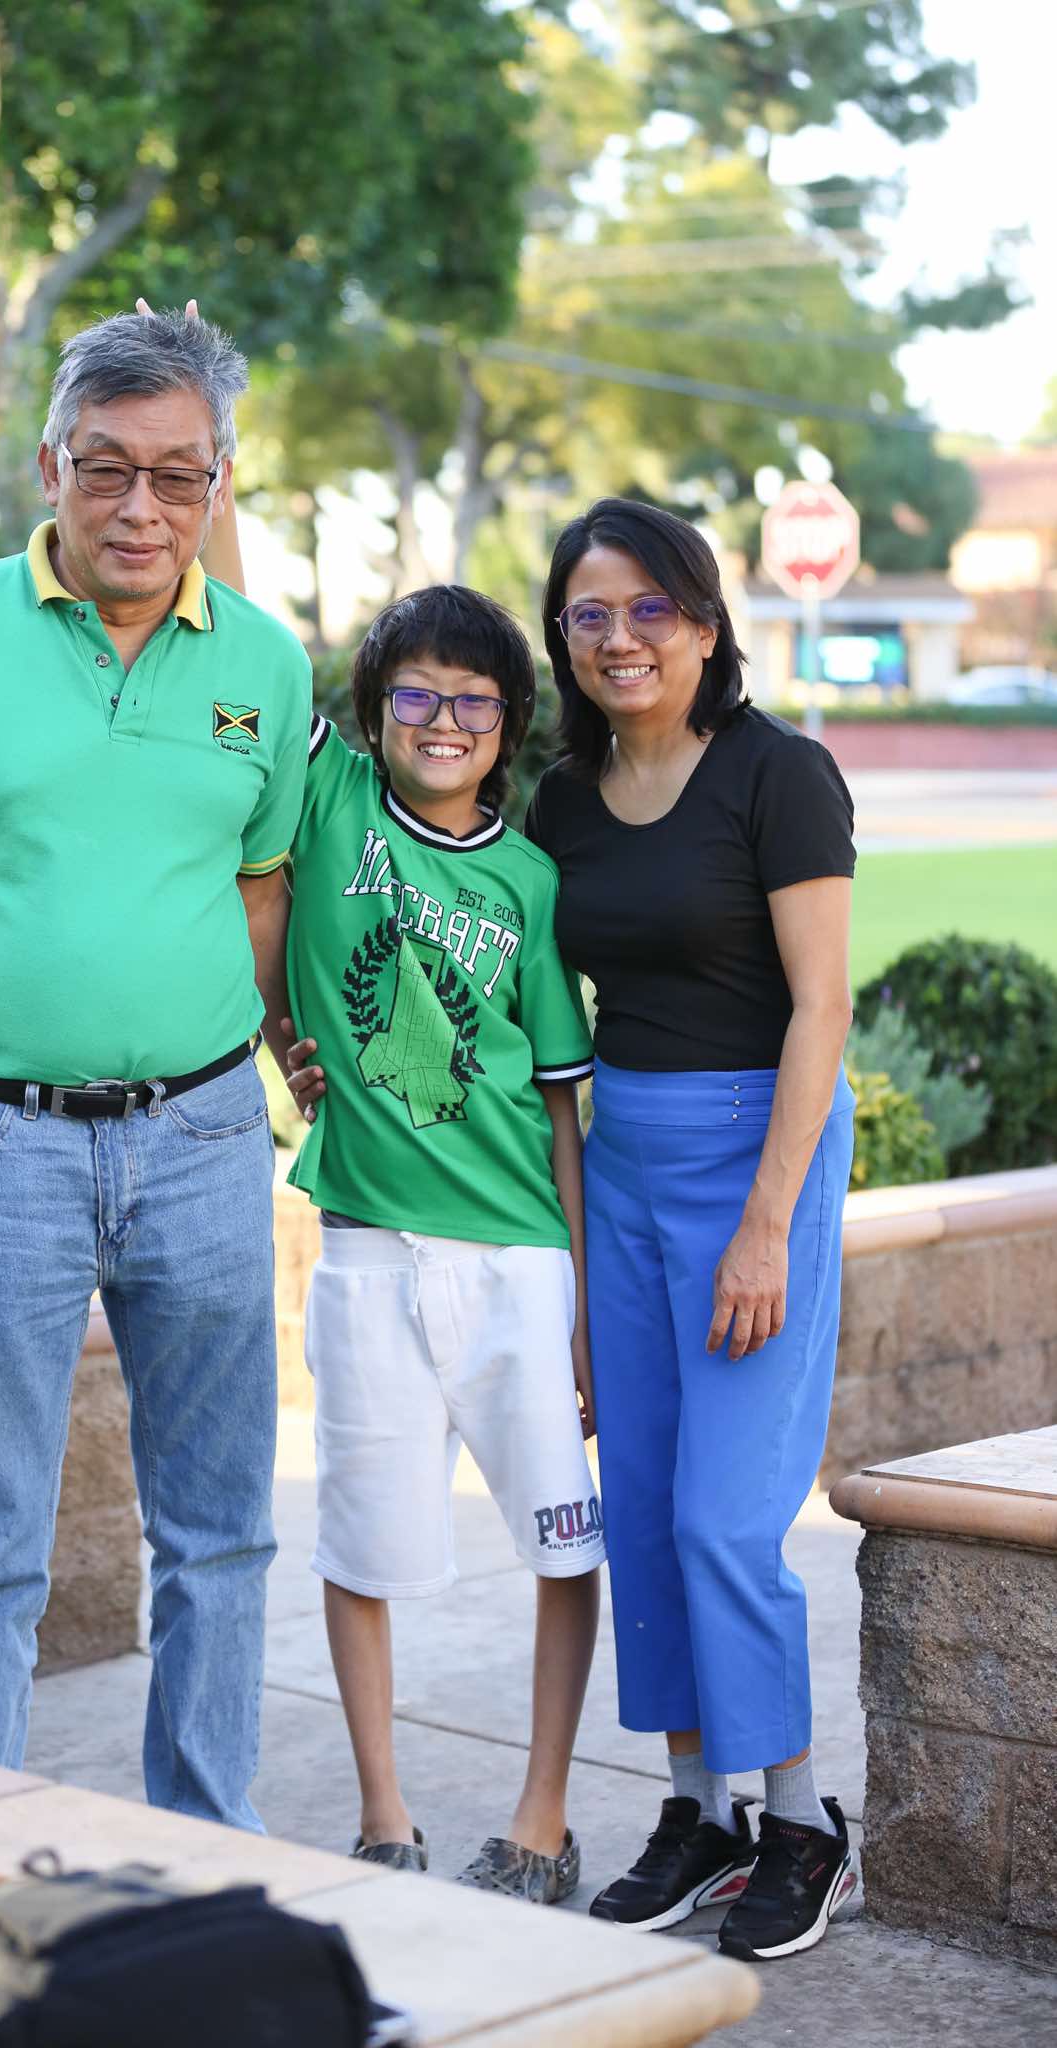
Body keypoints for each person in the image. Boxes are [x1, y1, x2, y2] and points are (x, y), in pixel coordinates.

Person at [0, 306, 311, 1831]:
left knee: (219, 1535)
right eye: (107, 469)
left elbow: (260, 906)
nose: (139, 508)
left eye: (177, 476)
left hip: (206, 1141)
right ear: (51, 465)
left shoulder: (266, 664)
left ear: (217, 484)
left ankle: (207, 1852)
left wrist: (302, 1067)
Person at [525, 498, 858, 1960]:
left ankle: (801, 1822)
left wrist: (767, 1222)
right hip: (626, 1164)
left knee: (728, 1515)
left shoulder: (780, 774)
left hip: (757, 1154)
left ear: (706, 626)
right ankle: (696, 1809)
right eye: (590, 615)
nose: (621, 638)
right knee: (649, 1502)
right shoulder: (562, 798)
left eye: (650, 609)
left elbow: (822, 1010)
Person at [282, 585, 604, 1903]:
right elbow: (230, 604)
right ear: (372, 711)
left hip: (521, 1261)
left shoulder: (529, 881)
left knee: (563, 1541)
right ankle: (383, 1815)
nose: (443, 719)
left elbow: (560, 1104)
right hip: (367, 1256)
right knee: (359, 1545)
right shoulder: (331, 802)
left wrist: (582, 1308)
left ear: (511, 725)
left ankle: (542, 1820)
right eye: (414, 691)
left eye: (475, 700)